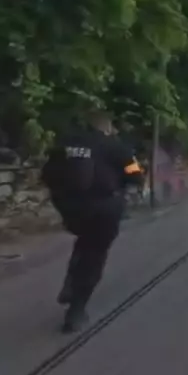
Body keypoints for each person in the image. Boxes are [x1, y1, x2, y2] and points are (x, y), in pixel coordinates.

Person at [42, 111, 144, 333]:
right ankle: (76, 310)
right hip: (103, 210)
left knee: (85, 239)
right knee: (95, 253)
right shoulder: (117, 147)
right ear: (107, 128)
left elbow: (47, 174)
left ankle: (71, 280)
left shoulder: (66, 143)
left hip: (70, 209)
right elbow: (135, 175)